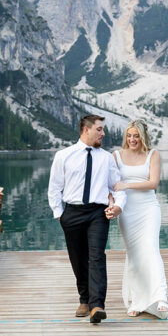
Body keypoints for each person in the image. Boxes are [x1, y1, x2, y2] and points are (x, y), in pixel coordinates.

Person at [48, 114, 126, 323]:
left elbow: (116, 187)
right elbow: (55, 187)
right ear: (86, 130)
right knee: (78, 257)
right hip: (72, 212)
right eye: (99, 129)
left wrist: (118, 205)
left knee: (97, 257)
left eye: (103, 129)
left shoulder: (107, 158)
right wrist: (59, 214)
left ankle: (97, 305)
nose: (103, 133)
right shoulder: (63, 156)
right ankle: (84, 298)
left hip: (97, 214)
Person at [112, 119, 168, 320]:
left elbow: (153, 183)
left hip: (148, 208)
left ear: (143, 137)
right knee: (135, 254)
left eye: (136, 135)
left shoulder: (153, 155)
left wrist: (127, 185)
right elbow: (111, 185)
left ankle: (160, 297)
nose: (132, 139)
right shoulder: (116, 156)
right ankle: (136, 301)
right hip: (127, 210)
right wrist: (113, 204)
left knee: (151, 249)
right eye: (129, 135)